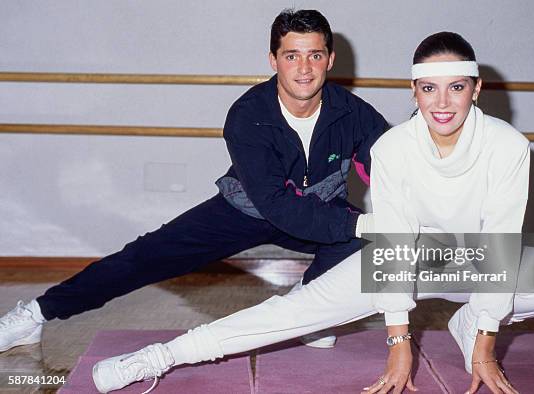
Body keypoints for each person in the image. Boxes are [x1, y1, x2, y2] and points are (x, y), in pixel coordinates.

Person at [92, 33, 534, 394]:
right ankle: (159, 357)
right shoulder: (393, 148)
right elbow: (394, 240)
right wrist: (398, 342)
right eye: (428, 88)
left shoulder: (508, 145)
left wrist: (486, 341)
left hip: (471, 259)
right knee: (290, 313)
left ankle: (468, 322)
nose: (442, 102)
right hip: (400, 257)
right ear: (414, 93)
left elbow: (499, 239)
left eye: (456, 87)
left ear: (476, 89)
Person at [0, 9, 388, 354]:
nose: (304, 68)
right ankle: (33, 315)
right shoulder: (248, 115)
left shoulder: (353, 112)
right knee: (142, 258)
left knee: (364, 240)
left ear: (330, 59)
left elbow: (390, 164)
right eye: (292, 55)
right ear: (273, 60)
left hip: (317, 210)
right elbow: (275, 205)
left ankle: (306, 312)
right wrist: (357, 221)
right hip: (247, 209)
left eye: (314, 55)